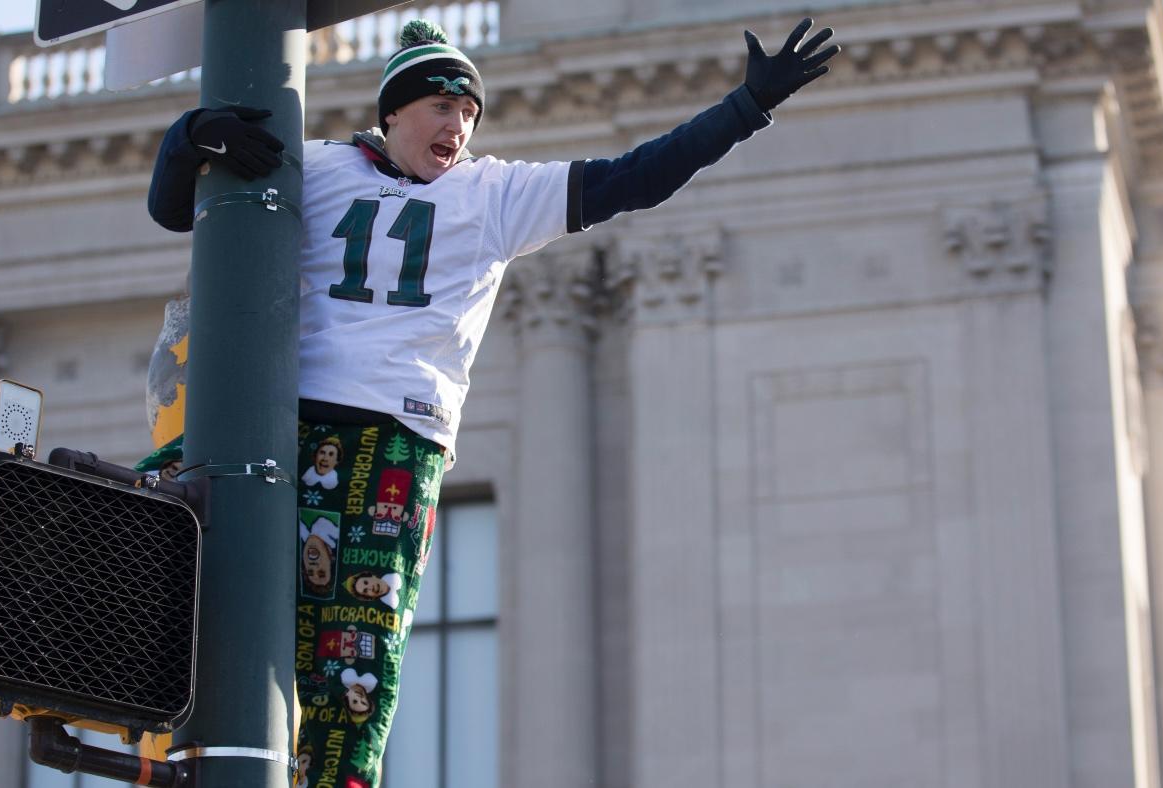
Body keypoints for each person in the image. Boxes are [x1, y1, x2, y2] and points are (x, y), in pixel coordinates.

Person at [144, 16, 839, 786]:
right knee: (154, 525)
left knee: (353, 663)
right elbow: (178, 210)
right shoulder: (320, 166)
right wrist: (189, 137)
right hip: (278, 420)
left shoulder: (497, 193)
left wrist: (746, 108)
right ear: (393, 112)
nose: (458, 126)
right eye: (442, 106)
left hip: (394, 442)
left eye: (470, 112)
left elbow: (637, 177)